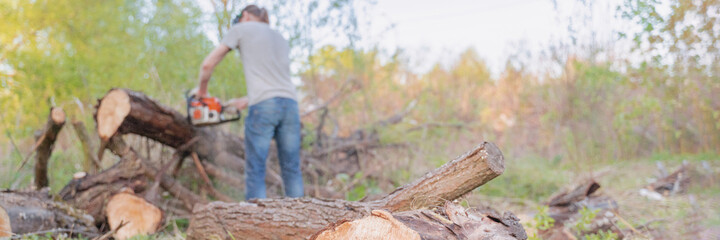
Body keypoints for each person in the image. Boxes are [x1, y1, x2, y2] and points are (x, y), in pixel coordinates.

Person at [195, 5, 304, 200]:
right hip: (290, 104)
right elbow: (276, 82)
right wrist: (246, 99)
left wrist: (202, 92)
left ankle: (255, 219)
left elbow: (207, 64)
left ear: (245, 16)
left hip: (264, 105)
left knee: (256, 167)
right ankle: (302, 220)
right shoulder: (279, 37)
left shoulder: (241, 29)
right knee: (291, 167)